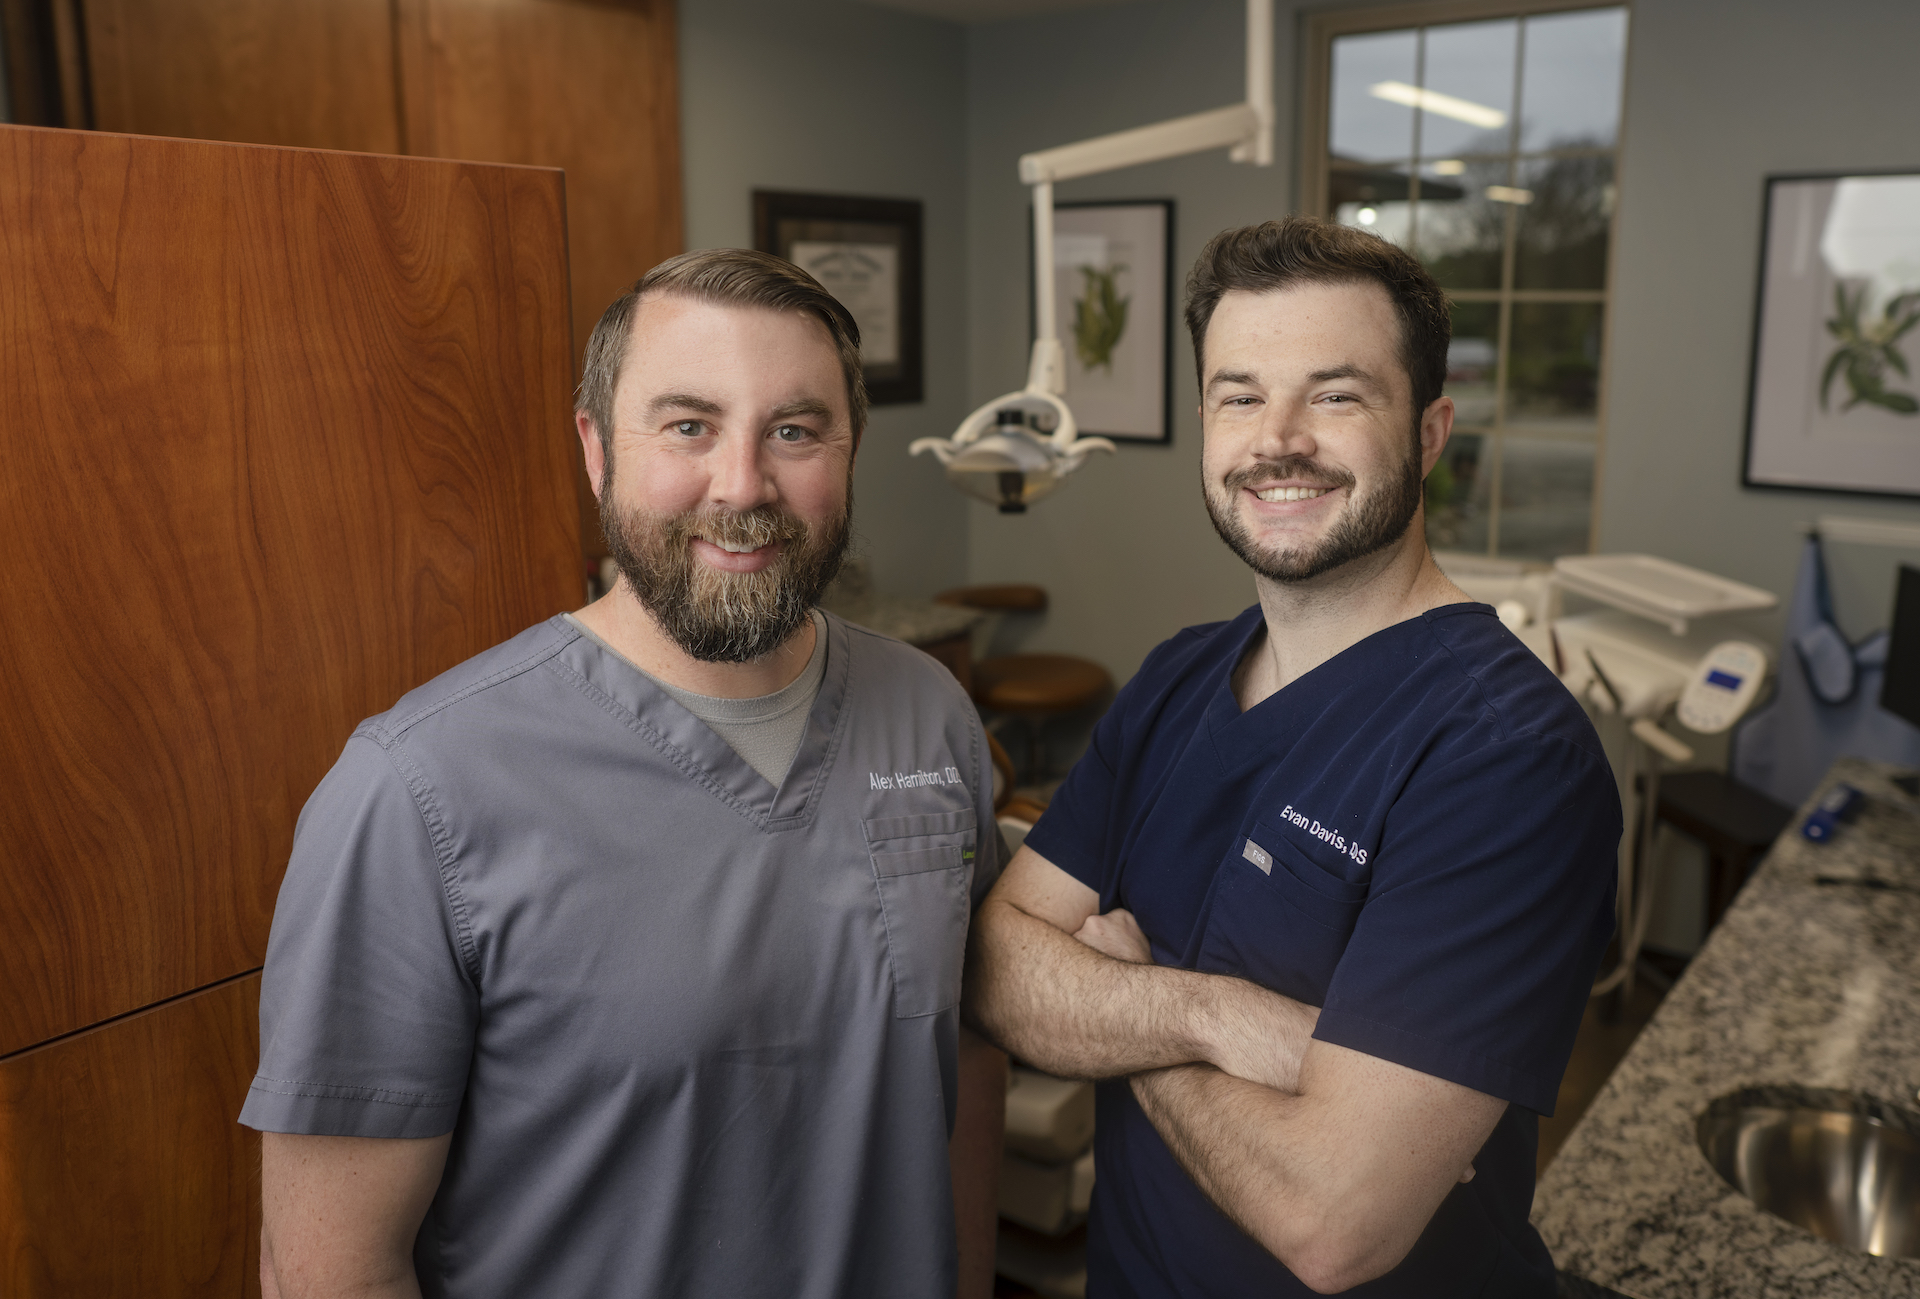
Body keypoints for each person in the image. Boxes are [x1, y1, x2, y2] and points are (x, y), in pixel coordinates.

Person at [242, 249, 1007, 1299]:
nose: (743, 484)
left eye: (794, 429)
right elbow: (325, 1272)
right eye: (688, 425)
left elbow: (964, 1063)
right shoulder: (415, 794)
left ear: (850, 450)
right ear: (596, 449)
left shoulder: (929, 715)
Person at [966, 218, 1620, 1297]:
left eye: (1336, 394)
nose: (1278, 439)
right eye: (1239, 395)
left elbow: (1331, 1222)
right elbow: (995, 963)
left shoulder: (1507, 758)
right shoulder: (1180, 677)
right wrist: (1211, 1016)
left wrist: (1125, 997)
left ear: (1428, 430)